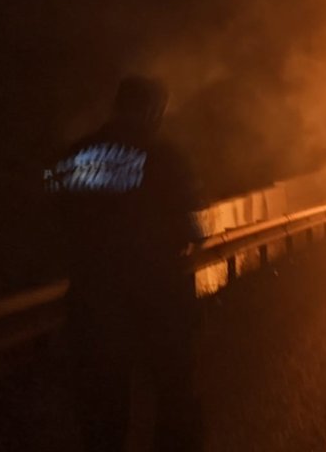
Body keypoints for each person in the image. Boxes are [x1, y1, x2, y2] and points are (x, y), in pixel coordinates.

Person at [46, 75, 205, 452]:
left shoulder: (74, 156)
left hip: (92, 304)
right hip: (156, 303)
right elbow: (191, 230)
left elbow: (53, 213)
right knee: (175, 400)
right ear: (152, 110)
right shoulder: (164, 157)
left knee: (101, 414)